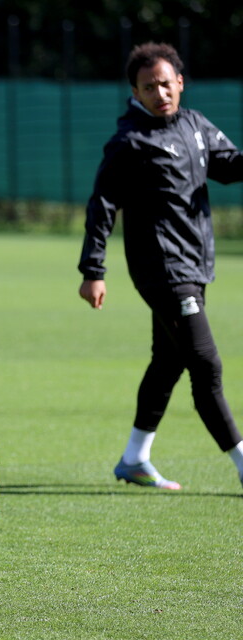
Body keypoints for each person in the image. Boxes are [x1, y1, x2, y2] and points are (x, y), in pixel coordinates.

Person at [78, 42, 243, 490]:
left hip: (195, 265)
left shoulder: (195, 125)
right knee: (206, 366)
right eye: (149, 86)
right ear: (135, 90)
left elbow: (228, 165)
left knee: (168, 361)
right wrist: (93, 269)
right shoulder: (130, 142)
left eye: (166, 84)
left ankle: (134, 459)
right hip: (162, 271)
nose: (159, 93)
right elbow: (102, 206)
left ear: (180, 83)